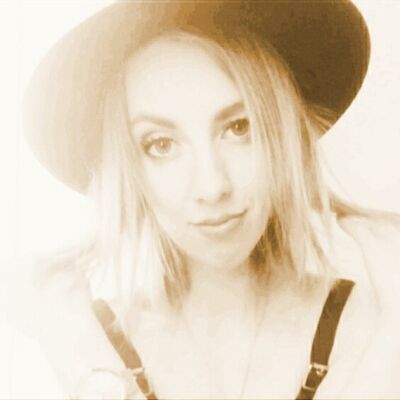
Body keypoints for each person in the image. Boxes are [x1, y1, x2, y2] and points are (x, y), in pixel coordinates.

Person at [10, 1, 400, 399]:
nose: (212, 187)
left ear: (285, 134)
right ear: (128, 169)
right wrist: (80, 355)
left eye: (239, 127)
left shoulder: (370, 323)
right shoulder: (78, 337)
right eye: (161, 144)